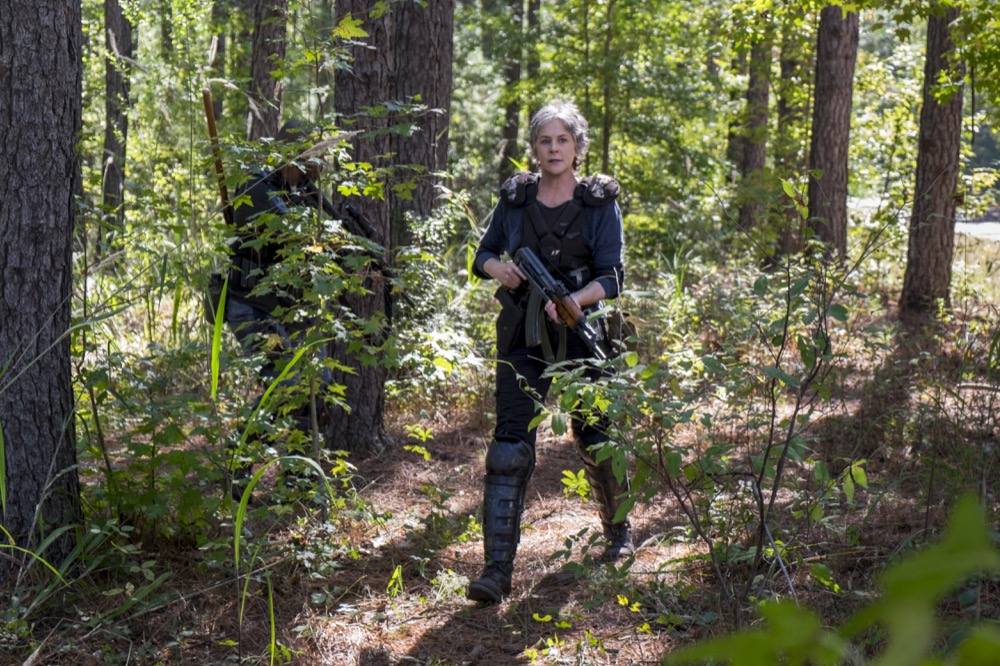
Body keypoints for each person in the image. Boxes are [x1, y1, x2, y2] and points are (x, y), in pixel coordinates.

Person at [466, 101, 634, 604]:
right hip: (523, 334)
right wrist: (497, 268)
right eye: (545, 141)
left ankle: (619, 535)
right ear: (534, 148)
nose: (554, 149)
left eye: (563, 140)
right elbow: (483, 254)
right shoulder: (515, 201)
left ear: (577, 148)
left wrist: (574, 304)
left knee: (597, 434)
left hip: (584, 334)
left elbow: (612, 276)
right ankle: (496, 571)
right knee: (509, 445)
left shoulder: (600, 204)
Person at [222, 120, 338, 499]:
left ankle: (298, 477)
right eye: (305, 162)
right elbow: (295, 236)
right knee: (284, 384)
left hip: (291, 307)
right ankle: (237, 460)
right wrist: (328, 246)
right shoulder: (257, 187)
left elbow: (329, 233)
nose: (310, 171)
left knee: (311, 381)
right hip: (250, 305)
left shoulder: (301, 191)